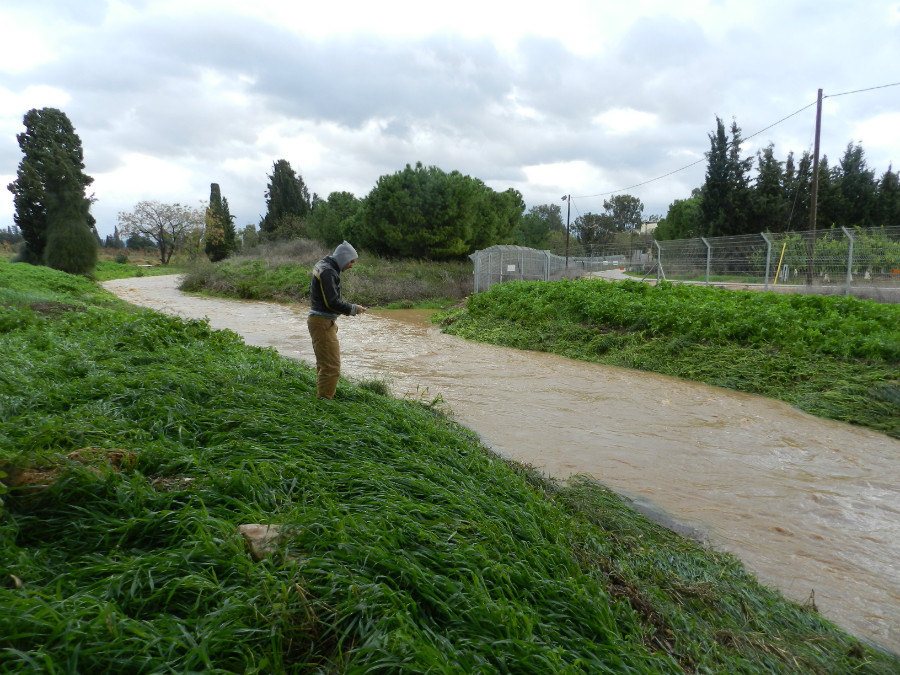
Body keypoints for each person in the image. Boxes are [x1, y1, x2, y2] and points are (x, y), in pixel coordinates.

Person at [307, 241, 368, 399]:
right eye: (351, 261)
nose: (352, 265)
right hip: (322, 322)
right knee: (332, 367)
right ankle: (324, 403)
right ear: (343, 257)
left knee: (324, 364)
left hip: (321, 321)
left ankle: (322, 397)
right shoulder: (328, 271)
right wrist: (353, 309)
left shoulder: (325, 265)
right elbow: (331, 302)